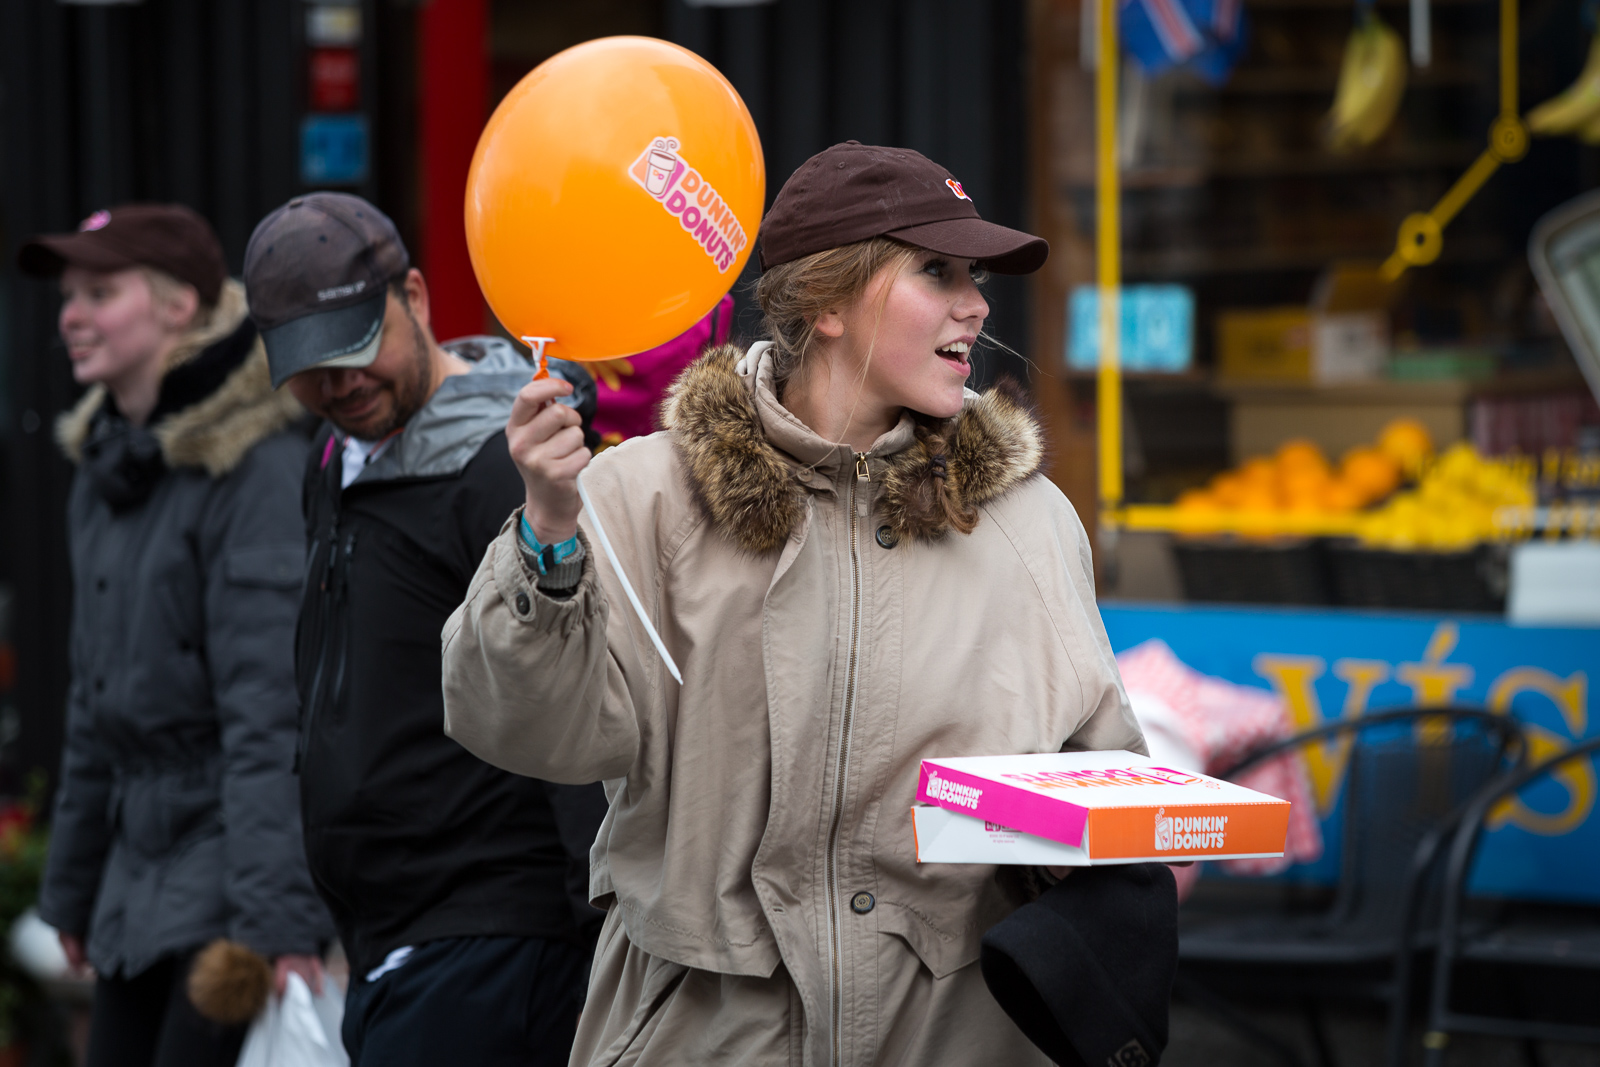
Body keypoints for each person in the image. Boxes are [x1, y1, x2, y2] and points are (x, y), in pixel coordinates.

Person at [440, 141, 1147, 1065]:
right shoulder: (641, 494)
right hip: (705, 1037)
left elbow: (1099, 773)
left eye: (973, 275)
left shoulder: (1026, 518)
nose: (974, 302)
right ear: (825, 304)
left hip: (954, 1036)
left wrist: (1124, 840)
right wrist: (547, 528)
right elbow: (527, 731)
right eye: (935, 271)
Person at [242, 192, 607, 1067]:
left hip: (498, 937)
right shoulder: (335, 460)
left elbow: (585, 694)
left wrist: (606, 935)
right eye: (309, 365)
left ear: (417, 296)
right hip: (386, 940)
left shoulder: (500, 467)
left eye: (357, 348)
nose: (338, 383)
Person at [21, 203, 330, 1067]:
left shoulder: (252, 463)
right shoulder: (108, 466)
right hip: (137, 877)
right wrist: (73, 893)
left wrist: (278, 923)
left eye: (101, 291)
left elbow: (270, 709)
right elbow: (90, 707)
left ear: (179, 306)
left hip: (231, 883)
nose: (71, 314)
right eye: (70, 295)